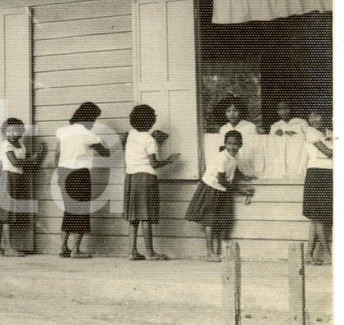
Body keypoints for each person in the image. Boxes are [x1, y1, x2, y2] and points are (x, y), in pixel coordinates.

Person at [185, 130, 255, 262]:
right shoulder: (222, 158)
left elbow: (234, 168)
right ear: (225, 143)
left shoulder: (233, 156)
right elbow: (222, 180)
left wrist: (245, 176)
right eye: (229, 143)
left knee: (222, 219)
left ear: (240, 145)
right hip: (211, 189)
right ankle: (209, 252)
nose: (232, 147)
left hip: (222, 190)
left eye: (235, 144)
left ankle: (220, 250)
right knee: (210, 221)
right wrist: (241, 190)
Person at [123, 105, 180, 261]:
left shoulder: (131, 135)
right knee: (146, 216)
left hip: (131, 178)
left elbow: (133, 146)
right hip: (146, 178)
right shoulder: (150, 140)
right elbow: (153, 163)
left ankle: (132, 251)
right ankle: (150, 252)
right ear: (151, 121)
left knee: (133, 217)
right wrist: (169, 160)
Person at [55, 102, 110, 259]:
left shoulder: (63, 131)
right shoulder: (89, 135)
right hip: (79, 174)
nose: (94, 123)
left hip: (63, 172)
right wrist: (122, 142)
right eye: (94, 119)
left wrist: (58, 173)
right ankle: (76, 250)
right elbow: (106, 153)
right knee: (81, 211)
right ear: (89, 118)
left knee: (69, 210)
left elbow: (57, 154)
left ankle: (63, 247)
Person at [0, 118, 45, 258]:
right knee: (6, 215)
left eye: (15, 130)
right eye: (8, 131)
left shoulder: (21, 146)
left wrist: (38, 155)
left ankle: (0, 247)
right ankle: (7, 248)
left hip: (17, 179)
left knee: (9, 214)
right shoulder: (5, 145)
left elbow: (28, 163)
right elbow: (15, 162)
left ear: (21, 132)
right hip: (7, 178)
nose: (11, 133)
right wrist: (33, 158)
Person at [302, 111, 332, 265]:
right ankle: (328, 254)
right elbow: (328, 152)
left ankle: (308, 255)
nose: (314, 119)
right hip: (316, 173)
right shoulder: (310, 131)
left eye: (318, 115)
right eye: (311, 116)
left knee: (317, 217)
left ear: (324, 116)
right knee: (318, 216)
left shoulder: (331, 132)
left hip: (330, 173)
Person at [217, 96, 263, 178]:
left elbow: (257, 148)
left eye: (235, 110)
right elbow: (222, 149)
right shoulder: (223, 129)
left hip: (246, 162)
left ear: (241, 111)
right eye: (228, 111)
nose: (232, 114)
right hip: (230, 164)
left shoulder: (250, 127)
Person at [266, 100, 309, 179]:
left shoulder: (301, 123)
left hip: (297, 156)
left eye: (286, 108)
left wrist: (296, 135)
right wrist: (276, 135)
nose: (283, 112)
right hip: (281, 157)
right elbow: (270, 144)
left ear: (291, 108)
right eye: (280, 109)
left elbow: (309, 137)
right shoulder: (275, 125)